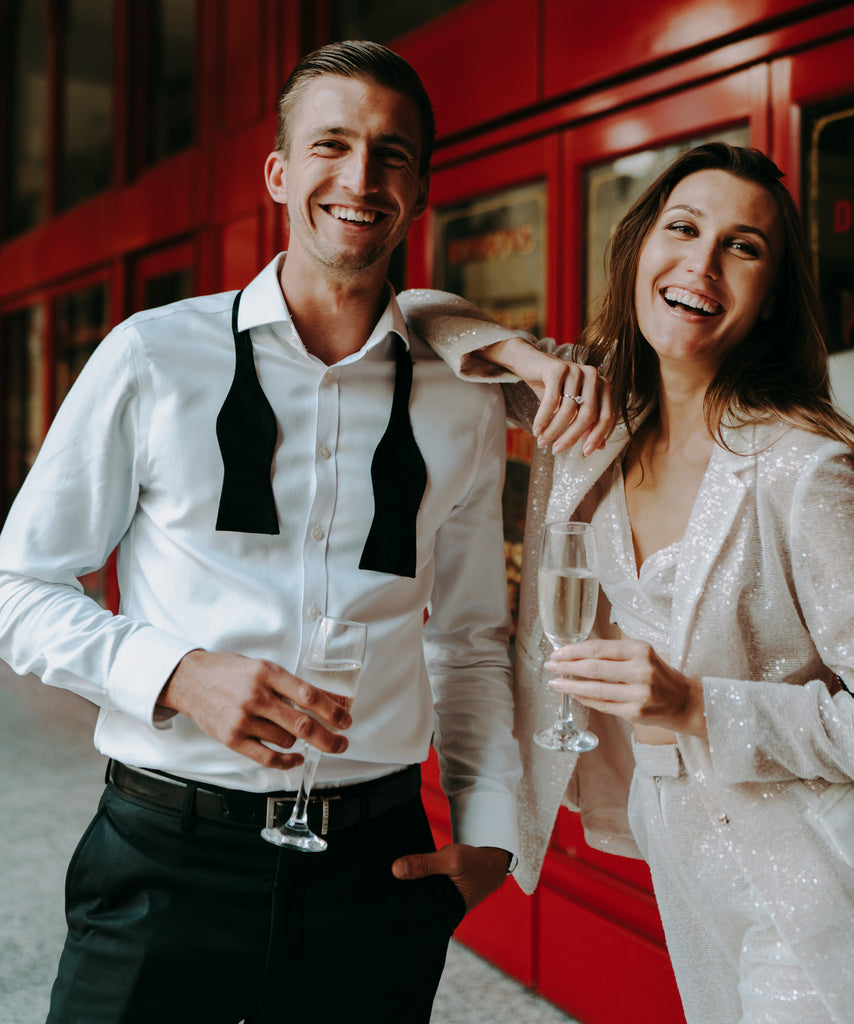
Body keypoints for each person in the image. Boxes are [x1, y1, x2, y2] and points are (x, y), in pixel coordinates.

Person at [0, 40, 614, 1024]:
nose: (359, 178)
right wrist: (176, 671)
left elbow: (465, 637)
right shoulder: (152, 358)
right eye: (330, 144)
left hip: (375, 873)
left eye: (390, 154)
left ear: (418, 186)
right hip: (165, 859)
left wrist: (491, 837)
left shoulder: (459, 402)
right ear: (280, 173)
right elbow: (19, 587)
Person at [400, 143, 854, 1024]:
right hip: (681, 852)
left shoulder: (806, 471)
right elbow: (416, 313)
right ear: (639, 247)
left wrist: (699, 705)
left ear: (768, 300)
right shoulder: (591, 416)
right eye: (682, 228)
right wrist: (531, 365)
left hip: (816, 871)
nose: (703, 263)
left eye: (743, 247)